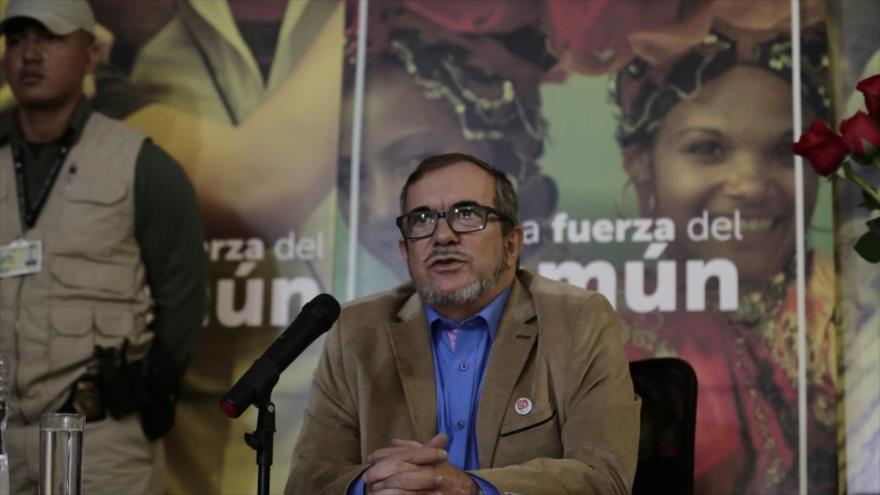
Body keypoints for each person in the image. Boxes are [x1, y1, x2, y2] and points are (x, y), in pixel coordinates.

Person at [286, 152, 640, 495]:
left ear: (512, 243)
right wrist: (374, 485)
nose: (442, 236)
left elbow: (603, 475)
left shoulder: (576, 319)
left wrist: (471, 489)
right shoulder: (357, 331)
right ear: (404, 251)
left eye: (467, 214)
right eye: (422, 219)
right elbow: (308, 480)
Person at [611, 19, 837, 495]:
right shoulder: (603, 332)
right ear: (641, 164)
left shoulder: (854, 309)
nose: (751, 185)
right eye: (708, 149)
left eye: (786, 150)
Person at [0, 1, 205, 494]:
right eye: (17, 38)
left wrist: (141, 397)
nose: (29, 53)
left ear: (91, 54)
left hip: (100, 440)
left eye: (49, 38)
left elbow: (182, 300)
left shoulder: (142, 164)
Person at [338, 20, 559, 293]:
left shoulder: (597, 326)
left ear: (504, 151)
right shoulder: (358, 329)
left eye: (412, 163)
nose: (380, 211)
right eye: (350, 180)